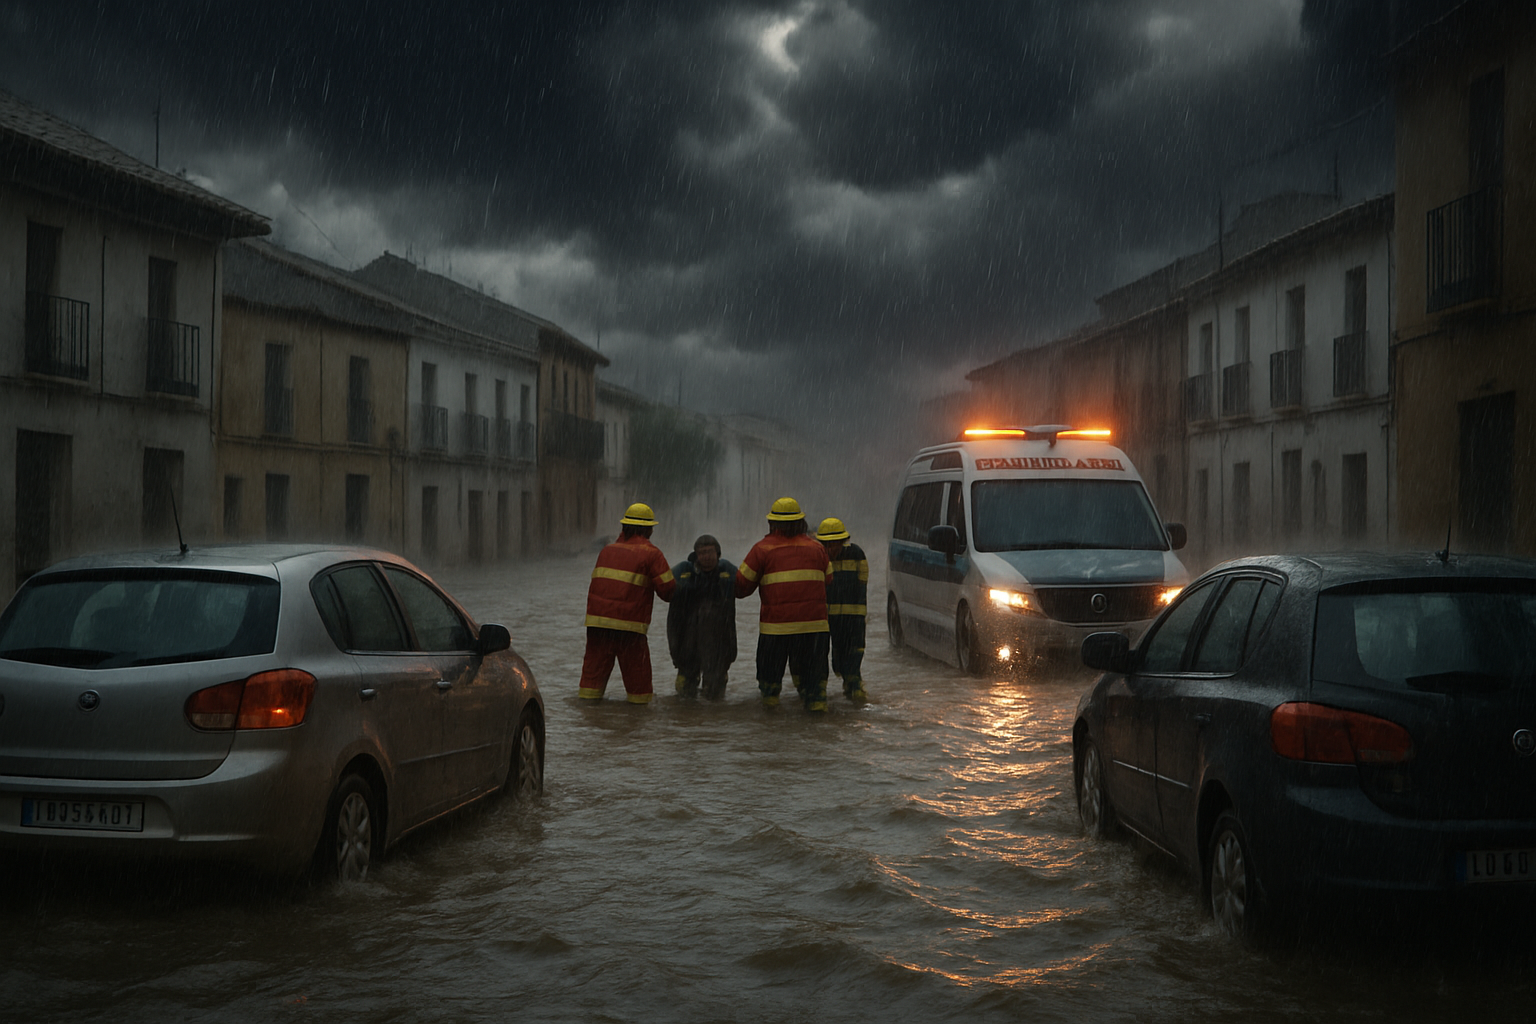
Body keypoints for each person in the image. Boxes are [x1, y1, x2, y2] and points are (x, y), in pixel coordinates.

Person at [735, 497, 832, 711]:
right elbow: (829, 579)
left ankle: (772, 724)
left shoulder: (761, 550)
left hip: (776, 629)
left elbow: (741, 586)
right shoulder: (817, 548)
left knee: (770, 686)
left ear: (772, 524)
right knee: (814, 684)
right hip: (814, 628)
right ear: (800, 522)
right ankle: (816, 717)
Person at [579, 503, 676, 704]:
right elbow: (668, 591)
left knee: (591, 683)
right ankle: (636, 725)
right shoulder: (652, 554)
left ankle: (588, 720)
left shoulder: (607, 551)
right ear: (649, 529)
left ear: (624, 527)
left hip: (597, 626)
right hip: (630, 629)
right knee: (638, 688)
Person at [667, 534, 738, 699]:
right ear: (696, 555)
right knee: (685, 692)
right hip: (687, 641)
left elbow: (746, 586)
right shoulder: (684, 570)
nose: (706, 557)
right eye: (702, 553)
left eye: (710, 552)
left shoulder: (727, 570)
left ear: (718, 553)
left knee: (715, 693)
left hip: (718, 641)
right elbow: (663, 587)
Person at [816, 517, 869, 702]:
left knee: (855, 652)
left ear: (843, 542)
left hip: (853, 617)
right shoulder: (817, 558)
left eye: (836, 544)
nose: (832, 549)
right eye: (828, 545)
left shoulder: (857, 554)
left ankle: (854, 687)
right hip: (827, 618)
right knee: (832, 656)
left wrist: (860, 615)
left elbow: (863, 584)